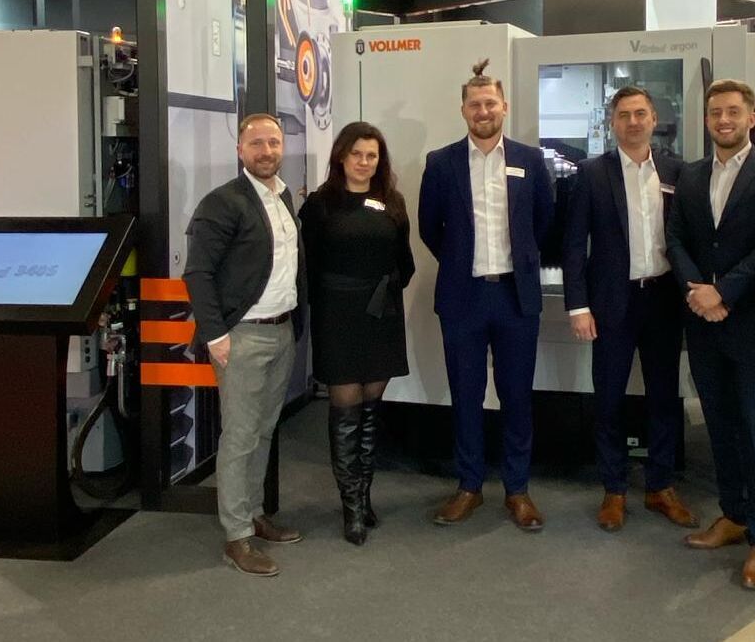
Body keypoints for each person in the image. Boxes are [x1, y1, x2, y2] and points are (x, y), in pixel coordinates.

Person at [666, 79, 755, 589]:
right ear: (706, 119)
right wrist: (698, 292)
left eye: (733, 112)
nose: (724, 120)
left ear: (751, 117)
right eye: (716, 112)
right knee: (719, 422)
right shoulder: (692, 175)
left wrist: (724, 292)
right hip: (702, 322)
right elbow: (676, 238)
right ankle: (734, 514)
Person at [418, 59, 555, 531]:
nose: (483, 111)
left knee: (517, 397)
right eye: (475, 104)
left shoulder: (530, 160)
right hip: (464, 298)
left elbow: (544, 221)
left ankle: (518, 490)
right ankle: (469, 486)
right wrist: (460, 261)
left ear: (504, 107)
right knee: (466, 396)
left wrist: (522, 260)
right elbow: (430, 227)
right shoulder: (441, 163)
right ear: (463, 110)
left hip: (517, 298)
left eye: (490, 103)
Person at [561, 85, 697, 532]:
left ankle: (660, 485)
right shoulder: (591, 173)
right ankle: (614, 488)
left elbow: (690, 237)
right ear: (612, 123)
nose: (633, 122)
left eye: (641, 114)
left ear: (654, 119)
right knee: (608, 398)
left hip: (663, 299)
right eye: (624, 115)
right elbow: (573, 245)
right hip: (611, 302)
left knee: (664, 396)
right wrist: (578, 305)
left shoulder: (678, 171)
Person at [183, 113, 305, 577]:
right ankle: (236, 537)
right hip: (242, 336)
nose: (266, 151)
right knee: (239, 437)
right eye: (256, 143)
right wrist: (215, 335)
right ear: (240, 150)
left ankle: (254, 514)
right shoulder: (222, 202)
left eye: (273, 142)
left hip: (281, 331)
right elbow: (198, 273)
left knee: (264, 430)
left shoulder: (282, 196)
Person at [299, 121, 415, 546]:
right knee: (345, 410)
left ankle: (364, 498)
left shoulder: (392, 202)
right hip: (337, 315)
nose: (364, 162)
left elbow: (405, 262)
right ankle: (350, 507)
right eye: (357, 154)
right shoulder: (319, 205)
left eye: (372, 155)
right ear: (341, 157)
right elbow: (306, 266)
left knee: (369, 413)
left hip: (380, 315)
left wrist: (383, 292)